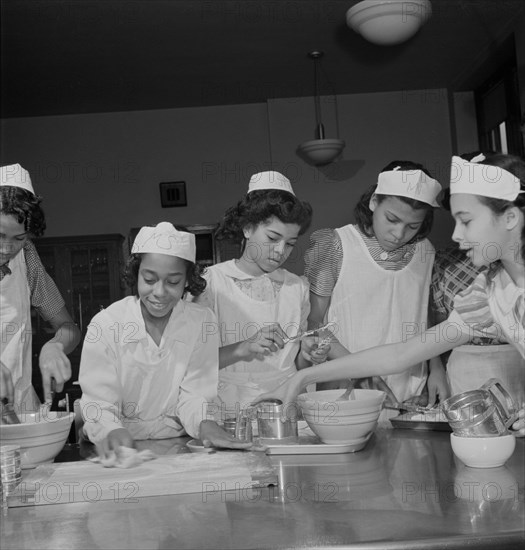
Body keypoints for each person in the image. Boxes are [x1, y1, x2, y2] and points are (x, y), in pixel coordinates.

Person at [257, 154, 525, 436]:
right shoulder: (489, 292)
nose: (456, 235)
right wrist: (302, 377)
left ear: (509, 217)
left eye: (467, 221)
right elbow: (402, 354)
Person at [78, 222, 255, 456]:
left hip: (175, 442)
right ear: (136, 274)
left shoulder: (201, 321)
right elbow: (98, 401)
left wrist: (205, 424)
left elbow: (195, 393)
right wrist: (110, 430)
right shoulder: (107, 324)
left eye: (173, 282)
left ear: (187, 281)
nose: (160, 292)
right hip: (117, 445)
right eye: (149, 279)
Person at [304, 160, 447, 408]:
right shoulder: (335, 245)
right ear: (373, 202)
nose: (399, 233)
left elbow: (425, 318)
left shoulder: (425, 251)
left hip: (410, 389)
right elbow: (314, 323)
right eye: (391, 219)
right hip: (345, 387)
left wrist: (436, 368)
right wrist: (361, 371)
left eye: (413, 226)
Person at [190, 171, 322, 413]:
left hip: (285, 407)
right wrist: (245, 347)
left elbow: (297, 363)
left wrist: (308, 353)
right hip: (230, 409)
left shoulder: (297, 287)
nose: (280, 251)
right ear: (248, 228)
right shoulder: (212, 284)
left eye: (290, 243)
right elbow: (193, 362)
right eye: (272, 238)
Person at [0, 163, 81, 411]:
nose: (6, 249)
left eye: (19, 238)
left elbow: (70, 329)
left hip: (19, 409)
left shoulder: (27, 258)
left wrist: (56, 345)